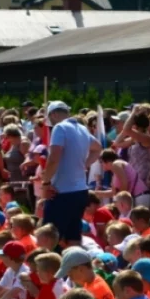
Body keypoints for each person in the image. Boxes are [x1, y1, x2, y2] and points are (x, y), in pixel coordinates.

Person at [41, 102, 101, 246]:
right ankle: (74, 266)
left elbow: (54, 158)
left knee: (49, 237)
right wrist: (84, 164)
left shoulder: (59, 127)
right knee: (73, 236)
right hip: (80, 192)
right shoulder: (82, 128)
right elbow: (98, 148)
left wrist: (46, 183)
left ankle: (50, 267)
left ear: (54, 114)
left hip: (62, 192)